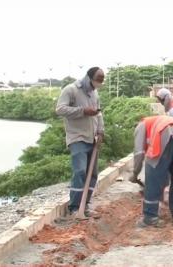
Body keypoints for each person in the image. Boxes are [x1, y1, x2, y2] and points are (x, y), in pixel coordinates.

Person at [56, 67, 105, 216]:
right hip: (77, 137)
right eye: (98, 79)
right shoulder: (71, 90)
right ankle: (75, 207)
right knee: (80, 171)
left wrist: (101, 131)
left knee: (93, 174)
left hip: (92, 138)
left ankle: (85, 205)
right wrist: (82, 111)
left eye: (102, 80)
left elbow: (98, 114)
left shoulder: (94, 93)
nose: (99, 83)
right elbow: (60, 109)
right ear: (89, 77)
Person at [129, 115, 173, 227]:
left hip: (166, 135)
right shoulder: (158, 120)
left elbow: (139, 154)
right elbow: (165, 171)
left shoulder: (141, 125)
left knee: (152, 178)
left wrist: (135, 173)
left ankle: (150, 217)